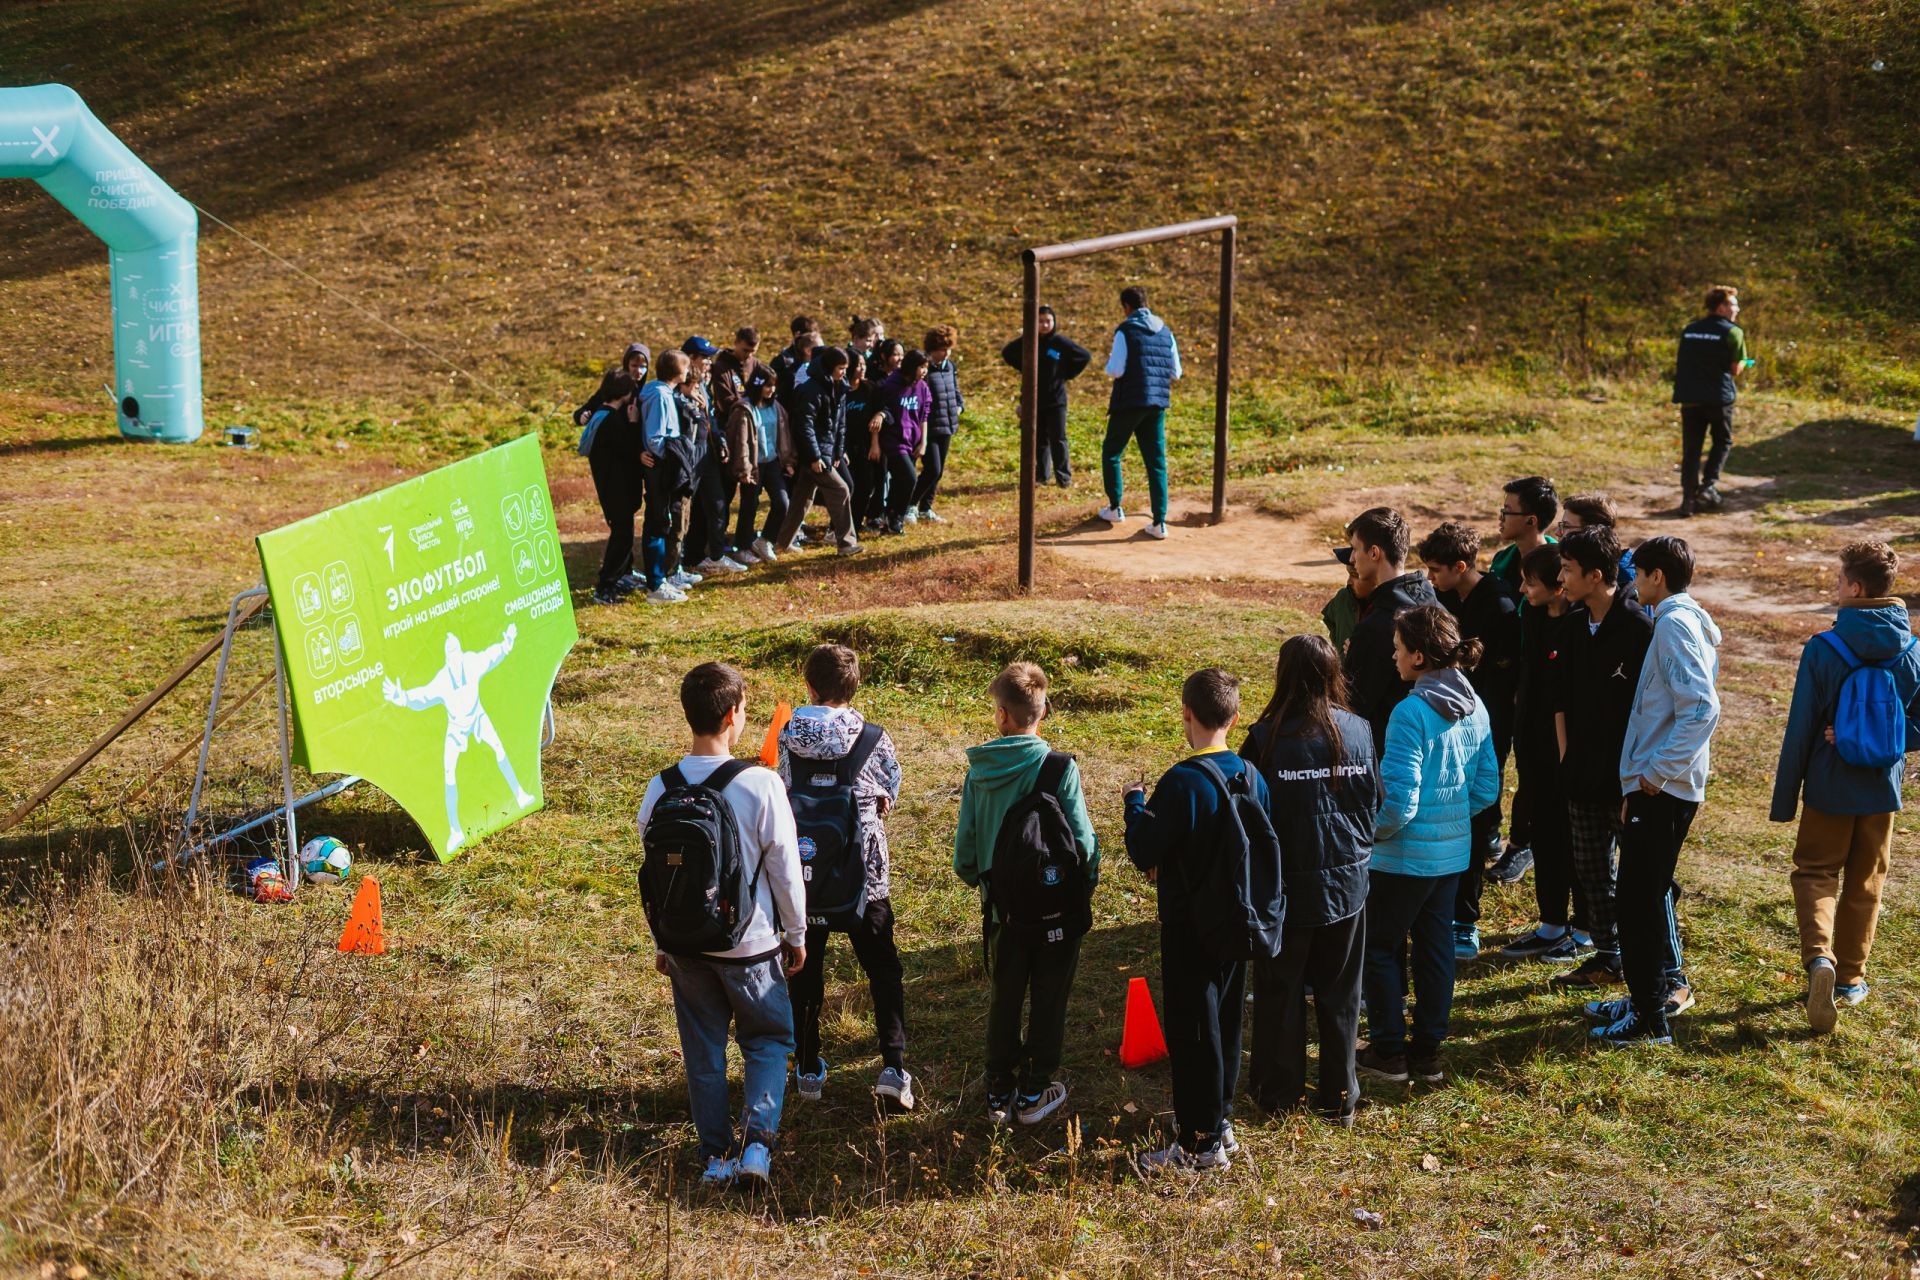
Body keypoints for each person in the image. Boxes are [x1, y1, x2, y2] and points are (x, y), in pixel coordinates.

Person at [637, 662, 806, 1186]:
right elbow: (784, 867)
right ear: (734, 715)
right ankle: (757, 1146)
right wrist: (796, 934)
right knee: (768, 1041)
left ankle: (715, 1157)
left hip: (686, 946)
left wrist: (663, 940)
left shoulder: (659, 787)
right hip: (750, 945)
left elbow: (654, 879)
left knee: (704, 1049)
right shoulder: (760, 783)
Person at [1124, 668, 1270, 1172]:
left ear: (1186, 713)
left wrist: (1133, 804)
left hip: (1191, 925)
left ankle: (1197, 1143)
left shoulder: (1183, 782)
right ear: (1234, 717)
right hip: (1238, 918)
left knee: (1193, 1032)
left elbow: (1145, 848)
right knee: (1227, 1022)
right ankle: (1221, 1120)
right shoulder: (1251, 775)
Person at [1772, 541, 1920, 1033]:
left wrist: (1784, 798)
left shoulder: (1824, 646)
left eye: (1838, 581)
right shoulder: (1913, 649)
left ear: (1856, 588)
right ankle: (1852, 979)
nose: (1834, 589)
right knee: (1866, 880)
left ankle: (1819, 959)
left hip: (1829, 784)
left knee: (1816, 871)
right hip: (1883, 787)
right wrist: (1886, 738)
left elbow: (1801, 726)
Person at [1357, 606, 1500, 1086]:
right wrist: (1453, 822)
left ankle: (1388, 1050)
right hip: (1451, 857)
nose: (1392, 656)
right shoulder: (1475, 706)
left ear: (1418, 656)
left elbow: (1398, 804)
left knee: (1379, 947)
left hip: (1401, 858)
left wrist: (1367, 832)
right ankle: (1428, 1053)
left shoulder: (1410, 712)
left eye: (1397, 649)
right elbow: (1485, 790)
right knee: (1436, 951)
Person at [953, 661, 1098, 1127]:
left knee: (1006, 996)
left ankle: (998, 1090)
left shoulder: (980, 774)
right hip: (1056, 911)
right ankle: (1034, 1090)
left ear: (1001, 715)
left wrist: (991, 888)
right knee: (1050, 996)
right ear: (1043, 711)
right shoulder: (1060, 768)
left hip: (1005, 913)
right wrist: (1078, 889)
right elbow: (1085, 845)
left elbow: (966, 857)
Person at [1240, 635, 1376, 1126]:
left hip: (1288, 891)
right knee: (1342, 992)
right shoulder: (1360, 730)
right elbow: (1373, 799)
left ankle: (1279, 1094)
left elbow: (1246, 816)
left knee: (1281, 990)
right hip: (1348, 885)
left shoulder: (1265, 737)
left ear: (1284, 675)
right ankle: (1341, 1099)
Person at [1590, 535, 1719, 1046]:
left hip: (1663, 789)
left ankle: (1649, 1020)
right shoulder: (1681, 618)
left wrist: (1654, 774)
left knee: (1637, 902)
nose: (1630, 581)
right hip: (1661, 785)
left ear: (1657, 576)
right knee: (1641, 896)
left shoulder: (1672, 625)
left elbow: (1702, 708)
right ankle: (1645, 994)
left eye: (1637, 573)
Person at [776, 645, 913, 1107]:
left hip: (804, 872)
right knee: (882, 967)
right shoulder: (873, 737)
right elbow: (889, 790)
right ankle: (893, 1065)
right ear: (854, 689)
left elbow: (784, 784)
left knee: (804, 969)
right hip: (864, 877)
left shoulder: (787, 732)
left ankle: (810, 1068)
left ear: (808, 686)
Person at [1546, 527, 1654, 991]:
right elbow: (1560, 700)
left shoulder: (1640, 629)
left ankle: (1650, 964)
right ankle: (1608, 958)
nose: (1561, 578)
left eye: (1568, 570)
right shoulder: (1571, 626)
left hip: (1628, 783)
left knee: (1640, 882)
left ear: (1595, 574)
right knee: (1592, 874)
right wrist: (1567, 758)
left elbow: (1653, 712)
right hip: (1581, 778)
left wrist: (1638, 780)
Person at [1417, 521, 1521, 960]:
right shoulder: (1439, 597)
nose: (1430, 579)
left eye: (1437, 570)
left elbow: (1510, 674)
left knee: (1478, 819)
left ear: (1462, 566)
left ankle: (1465, 918)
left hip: (1485, 728)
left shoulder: (1499, 605)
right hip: (1439, 724)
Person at [1497, 544, 1591, 963]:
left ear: (1559, 587)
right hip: (1533, 747)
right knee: (1545, 833)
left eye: (1529, 583)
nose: (1521, 589)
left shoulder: (1579, 625)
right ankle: (1551, 923)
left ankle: (1587, 928)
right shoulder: (1534, 615)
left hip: (1570, 753)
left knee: (1579, 840)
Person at [1341, 507, 1439, 755]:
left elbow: (1352, 705)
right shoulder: (1435, 606)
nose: (1351, 558)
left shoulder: (1379, 625)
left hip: (1391, 752)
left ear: (1374, 552)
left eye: (1355, 549)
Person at [1097, 285, 1182, 540]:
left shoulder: (1126, 330)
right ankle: (1159, 522)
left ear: (1126, 307)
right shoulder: (1165, 331)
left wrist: (1109, 363)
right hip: (1157, 403)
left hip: (1130, 402)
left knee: (1112, 452)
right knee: (1156, 463)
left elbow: (1116, 369)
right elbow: (1176, 372)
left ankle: (1114, 507)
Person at [575, 342, 649, 605]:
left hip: (613, 486)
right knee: (623, 534)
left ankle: (621, 575)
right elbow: (626, 449)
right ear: (623, 393)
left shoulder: (605, 414)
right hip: (615, 487)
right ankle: (605, 585)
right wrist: (631, 423)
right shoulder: (612, 420)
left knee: (623, 531)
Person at [775, 347, 862, 557]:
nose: (844, 372)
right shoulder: (811, 390)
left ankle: (781, 542)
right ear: (830, 367)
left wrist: (838, 453)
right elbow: (804, 427)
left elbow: (840, 425)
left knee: (801, 500)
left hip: (825, 453)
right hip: (814, 455)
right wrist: (814, 457)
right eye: (841, 368)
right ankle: (846, 543)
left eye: (846, 368)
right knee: (840, 490)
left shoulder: (839, 388)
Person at [1671, 285, 1749, 517]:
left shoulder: (1690, 330)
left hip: (1690, 398)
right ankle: (1708, 486)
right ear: (1722, 306)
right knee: (1722, 441)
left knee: (1691, 449)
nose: (1737, 309)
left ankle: (1688, 501)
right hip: (1718, 398)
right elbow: (1736, 369)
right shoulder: (1733, 332)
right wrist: (1746, 363)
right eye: (1734, 304)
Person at [677, 336, 746, 578]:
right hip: (688, 458)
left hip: (708, 455)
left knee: (716, 505)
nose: (709, 362)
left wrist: (721, 441)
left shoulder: (702, 384)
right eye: (705, 357)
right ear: (691, 358)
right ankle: (685, 560)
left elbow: (711, 417)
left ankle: (713, 556)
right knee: (685, 512)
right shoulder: (678, 387)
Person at [1002, 306, 1091, 486]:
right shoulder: (1027, 342)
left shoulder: (1060, 344)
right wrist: (1024, 367)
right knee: (1039, 440)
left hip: (1056, 400)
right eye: (1040, 321)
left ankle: (1063, 478)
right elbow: (1007, 352)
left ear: (1054, 322)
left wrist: (1065, 374)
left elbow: (1084, 357)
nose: (1044, 325)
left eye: (1048, 321)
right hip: (1034, 400)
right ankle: (1042, 476)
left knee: (1058, 438)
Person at [637, 350, 692, 605]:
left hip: (664, 465)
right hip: (660, 467)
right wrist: (672, 456)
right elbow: (655, 437)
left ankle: (661, 578)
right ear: (677, 371)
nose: (689, 370)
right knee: (658, 521)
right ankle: (656, 584)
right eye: (686, 366)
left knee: (663, 519)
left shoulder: (666, 392)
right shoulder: (659, 395)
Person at [724, 363, 793, 566]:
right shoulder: (744, 408)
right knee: (749, 505)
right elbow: (741, 442)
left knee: (782, 502)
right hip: (753, 466)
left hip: (772, 462)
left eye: (774, 385)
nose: (771, 389)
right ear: (757, 385)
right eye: (767, 385)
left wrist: (788, 460)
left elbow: (784, 435)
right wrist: (743, 469)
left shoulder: (776, 406)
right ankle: (742, 546)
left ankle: (765, 540)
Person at [910, 324, 965, 523]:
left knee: (939, 471)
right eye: (943, 349)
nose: (947, 353)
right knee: (932, 468)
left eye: (949, 348)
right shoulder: (925, 369)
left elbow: (956, 391)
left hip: (948, 425)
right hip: (929, 427)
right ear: (932, 349)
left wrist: (960, 406)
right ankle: (910, 504)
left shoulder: (950, 367)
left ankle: (926, 507)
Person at [874, 349, 930, 534]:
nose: (924, 372)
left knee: (900, 482)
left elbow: (924, 415)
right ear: (912, 367)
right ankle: (896, 516)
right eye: (921, 367)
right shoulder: (891, 385)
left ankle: (889, 520)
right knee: (910, 478)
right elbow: (882, 410)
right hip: (894, 441)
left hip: (913, 441)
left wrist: (923, 442)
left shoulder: (921, 386)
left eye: (926, 368)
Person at [1559, 493, 1639, 611]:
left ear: (1591, 531)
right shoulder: (1574, 563)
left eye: (1566, 526)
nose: (1558, 532)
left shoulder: (1624, 578)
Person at [1488, 476, 1558, 593]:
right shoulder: (1501, 559)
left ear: (1531, 520)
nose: (1501, 517)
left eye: (1507, 511)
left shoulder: (1558, 565)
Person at [710, 326, 761, 423]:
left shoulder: (756, 364)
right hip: (730, 422)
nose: (749, 355)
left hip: (754, 420)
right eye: (745, 350)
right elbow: (724, 401)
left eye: (753, 351)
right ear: (736, 343)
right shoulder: (721, 367)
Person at [1321, 546, 1366, 656]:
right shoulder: (1344, 597)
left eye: (1355, 574)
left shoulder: (1391, 609)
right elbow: (1330, 620)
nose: (1349, 582)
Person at [771, 316, 818, 415]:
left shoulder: (816, 361)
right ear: (797, 334)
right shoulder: (783, 361)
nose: (812, 338)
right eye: (809, 335)